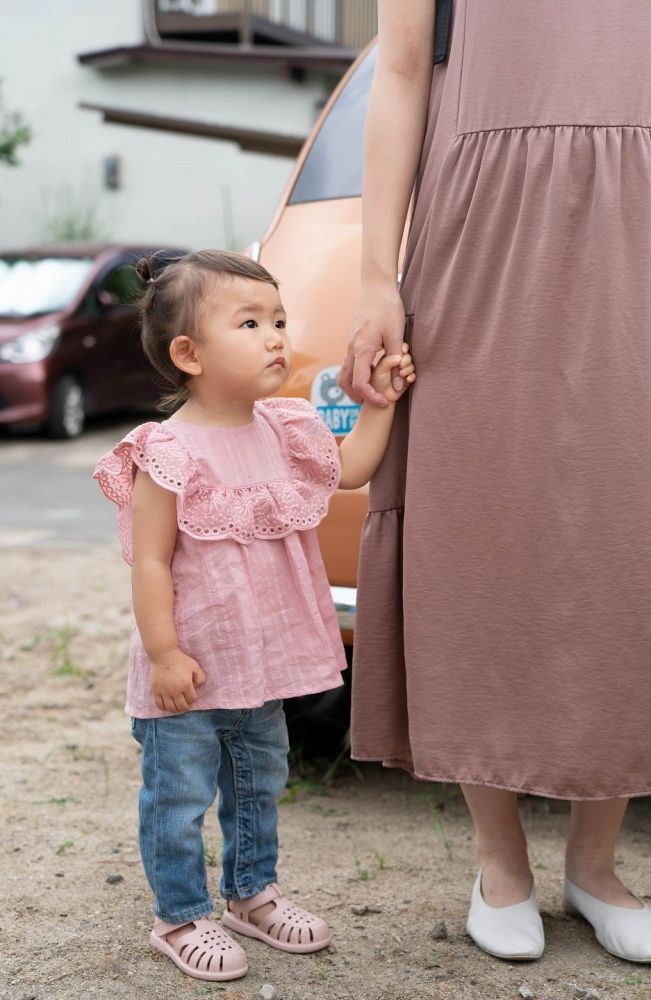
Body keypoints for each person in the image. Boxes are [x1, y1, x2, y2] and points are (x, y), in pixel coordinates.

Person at [340, 0, 651, 964]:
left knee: (625, 531)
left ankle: (595, 868)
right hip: (479, 232)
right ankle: (499, 859)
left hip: (635, 225)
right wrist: (375, 277)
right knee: (479, 520)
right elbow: (398, 73)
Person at [93, 249, 415, 983]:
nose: (276, 336)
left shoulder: (286, 427)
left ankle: (251, 894)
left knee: (256, 785)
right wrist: (165, 654)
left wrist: (381, 403)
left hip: (258, 668)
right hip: (190, 671)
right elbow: (148, 562)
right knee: (177, 796)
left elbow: (353, 470)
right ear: (189, 353)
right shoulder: (164, 450)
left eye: (278, 320)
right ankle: (178, 915)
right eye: (250, 323)